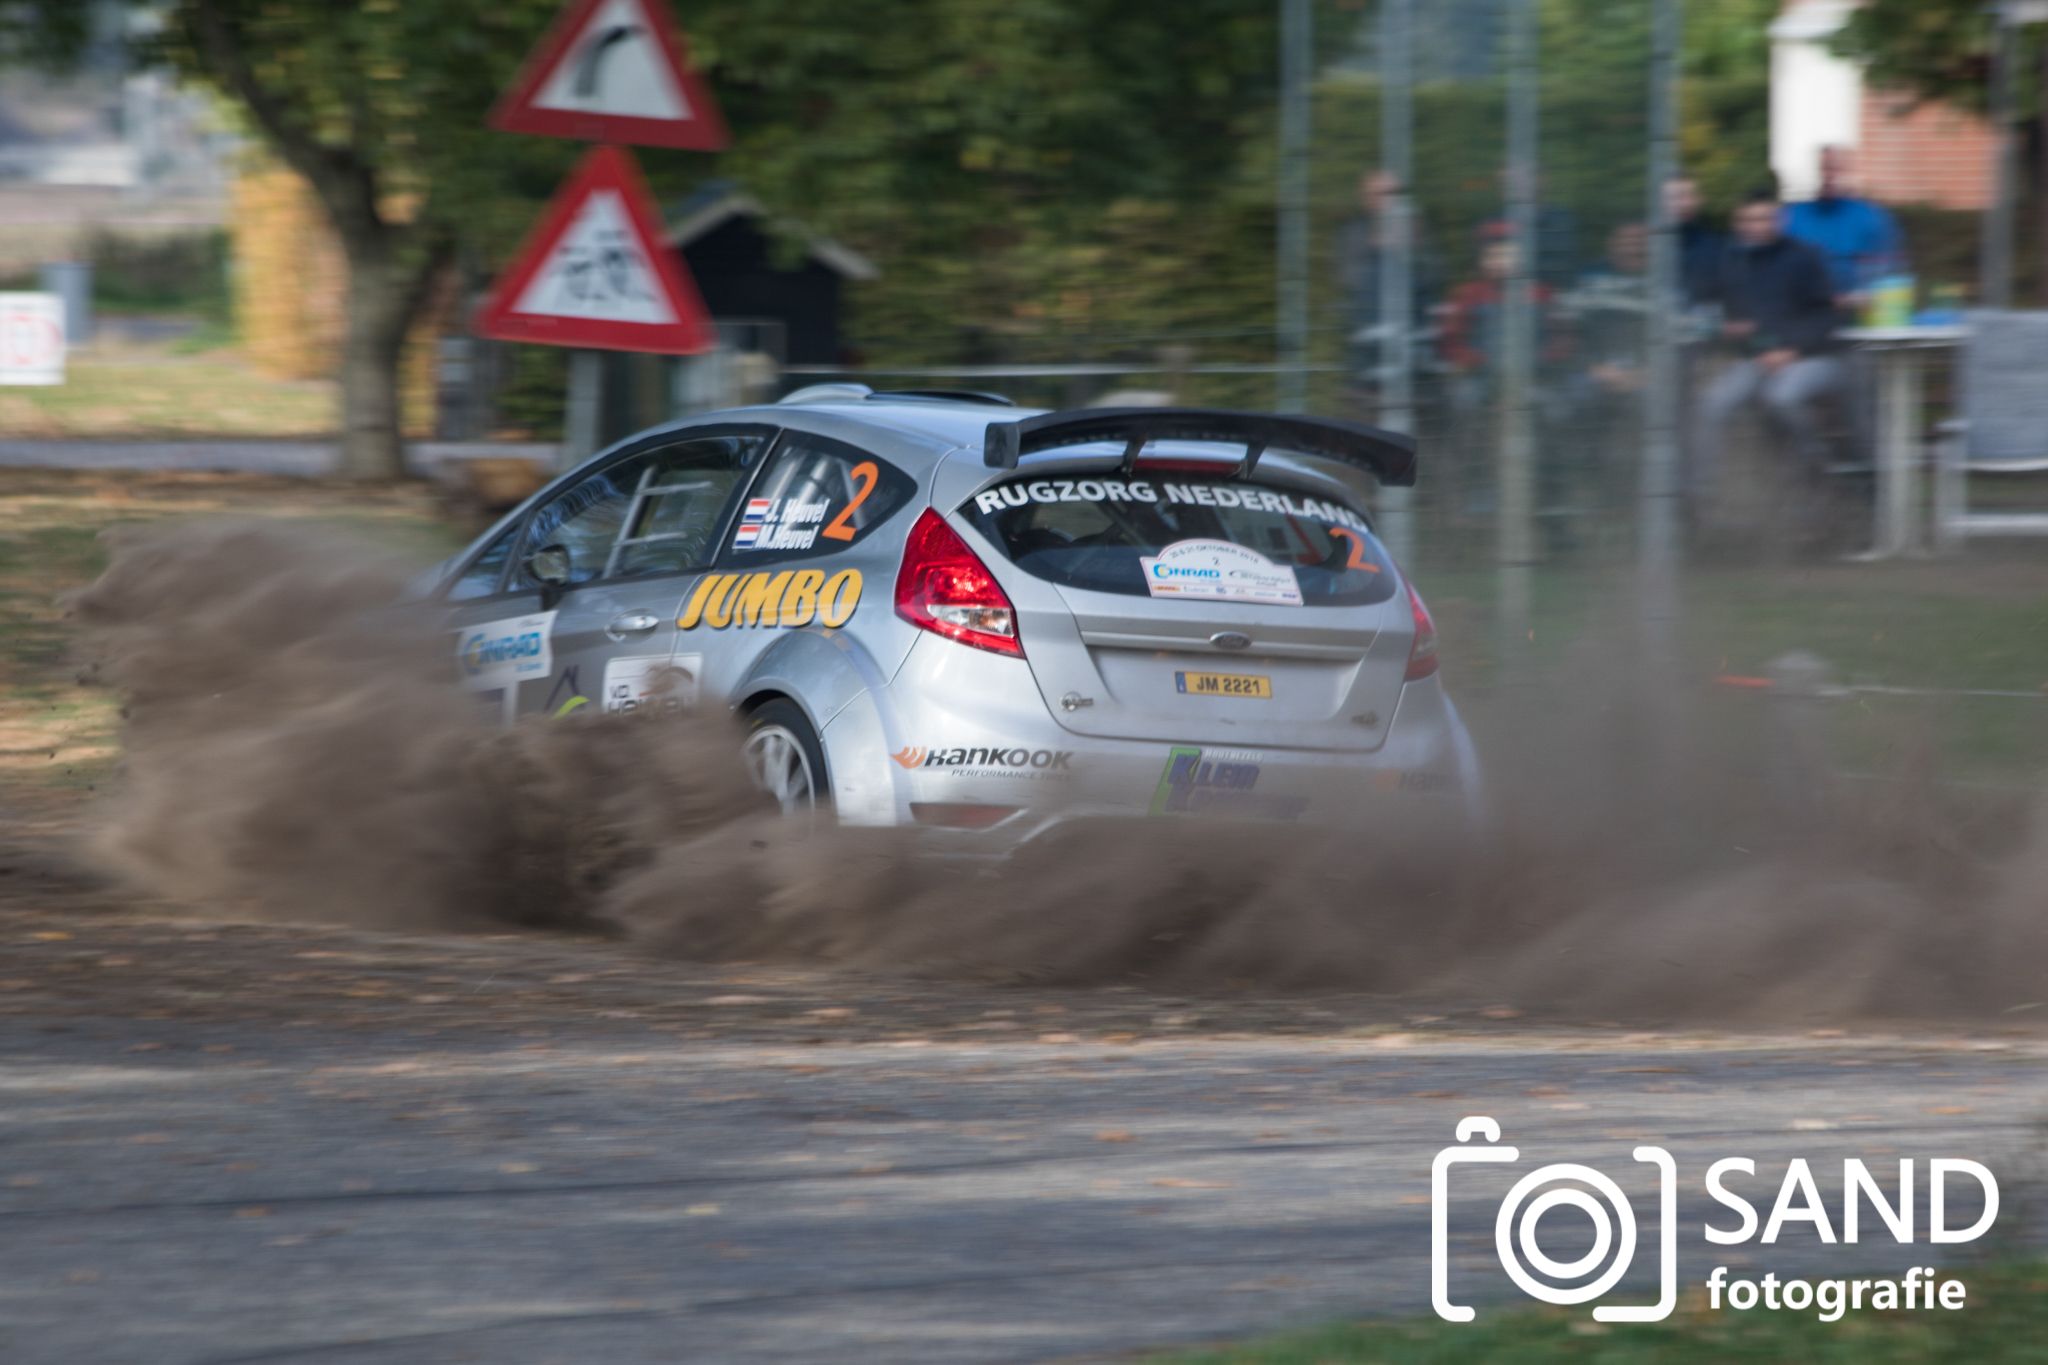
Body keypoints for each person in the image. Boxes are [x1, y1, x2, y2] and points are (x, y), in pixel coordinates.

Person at [1692, 185, 1848, 533]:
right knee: (1711, 404)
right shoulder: (1730, 261)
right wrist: (1725, 329)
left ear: (1779, 219)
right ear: (1737, 222)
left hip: (1811, 358)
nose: (1755, 225)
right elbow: (1713, 315)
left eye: (1763, 218)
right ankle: (1701, 505)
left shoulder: (1804, 257)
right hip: (1755, 360)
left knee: (1781, 396)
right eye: (1747, 219)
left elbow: (1829, 318)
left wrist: (1791, 349)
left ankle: (1817, 471)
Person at [1783, 146, 1907, 313]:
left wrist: (1862, 294)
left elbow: (1890, 267)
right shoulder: (1792, 216)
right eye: (1824, 168)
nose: (1829, 176)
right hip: (1804, 310)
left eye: (1836, 169)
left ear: (1850, 173)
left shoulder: (1873, 217)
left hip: (1860, 310)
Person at [1664, 176, 1727, 308]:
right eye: (1677, 197)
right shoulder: (1646, 246)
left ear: (1701, 200)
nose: (1685, 204)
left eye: (1691, 196)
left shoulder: (1719, 248)